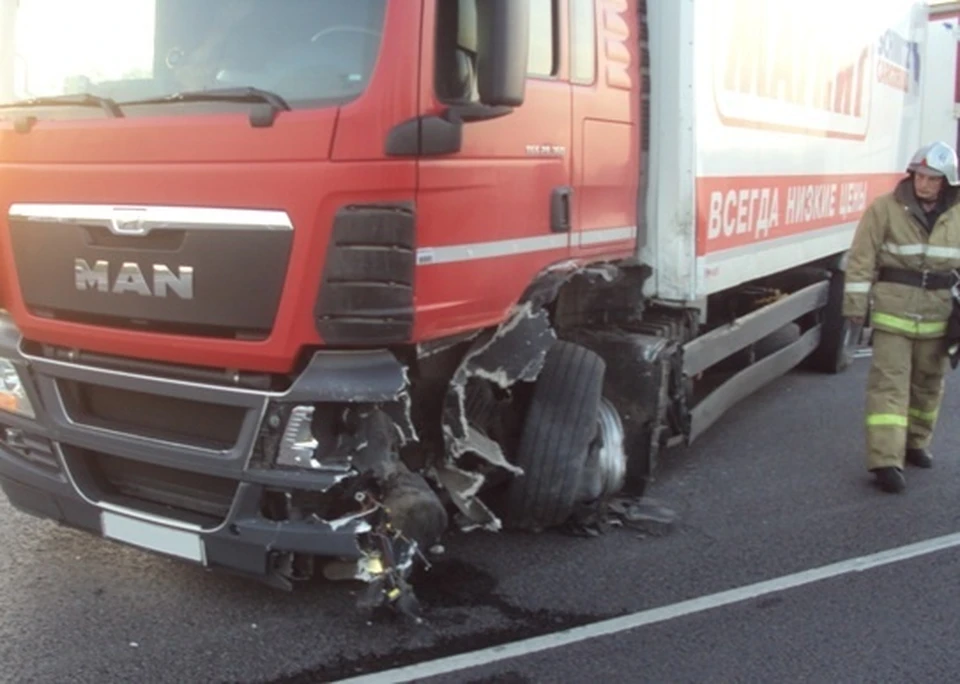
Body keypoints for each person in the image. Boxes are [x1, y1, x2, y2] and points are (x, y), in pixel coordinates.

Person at [842, 141, 960, 493]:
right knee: (888, 386)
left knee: (928, 384)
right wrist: (854, 310)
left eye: (933, 178)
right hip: (893, 312)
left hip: (938, 314)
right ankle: (885, 461)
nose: (924, 184)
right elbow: (862, 259)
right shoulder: (884, 209)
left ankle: (915, 442)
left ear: (947, 182)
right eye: (920, 176)